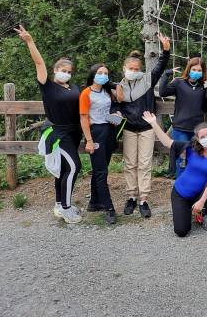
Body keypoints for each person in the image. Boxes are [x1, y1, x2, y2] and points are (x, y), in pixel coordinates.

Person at [16, 25, 83, 224]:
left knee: (63, 170)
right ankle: (67, 208)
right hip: (58, 134)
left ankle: (59, 204)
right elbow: (38, 62)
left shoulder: (74, 87)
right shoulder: (48, 86)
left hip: (73, 133)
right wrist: (30, 41)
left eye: (69, 71)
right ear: (55, 71)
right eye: (63, 70)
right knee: (74, 168)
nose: (66, 73)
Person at [143, 112, 207, 236]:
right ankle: (188, 211)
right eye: (202, 137)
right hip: (181, 193)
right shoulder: (191, 148)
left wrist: (201, 201)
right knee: (181, 231)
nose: (206, 138)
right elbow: (168, 142)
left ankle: (202, 213)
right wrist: (153, 123)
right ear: (198, 139)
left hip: (199, 194)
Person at [115, 33, 170, 218]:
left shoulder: (147, 80)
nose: (133, 70)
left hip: (146, 128)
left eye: (136, 68)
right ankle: (131, 196)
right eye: (130, 68)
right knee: (130, 164)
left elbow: (161, 66)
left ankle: (143, 199)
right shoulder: (119, 87)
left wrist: (166, 49)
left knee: (145, 164)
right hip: (129, 129)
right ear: (124, 68)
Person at [158, 56, 207, 178]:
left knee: (195, 161)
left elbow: (206, 108)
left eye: (199, 70)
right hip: (180, 128)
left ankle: (193, 190)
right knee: (181, 162)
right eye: (194, 69)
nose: (196, 72)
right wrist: (166, 75)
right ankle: (180, 191)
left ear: (203, 72)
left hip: (197, 131)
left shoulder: (204, 87)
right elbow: (162, 92)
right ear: (189, 69)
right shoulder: (179, 83)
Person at [79, 63, 121, 225]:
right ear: (93, 74)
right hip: (95, 133)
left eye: (106, 73)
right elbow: (84, 118)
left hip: (109, 131)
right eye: (100, 72)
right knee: (101, 172)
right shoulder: (86, 93)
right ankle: (109, 208)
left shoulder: (106, 92)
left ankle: (94, 202)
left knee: (100, 170)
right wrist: (88, 140)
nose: (103, 75)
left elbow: (113, 106)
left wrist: (115, 116)